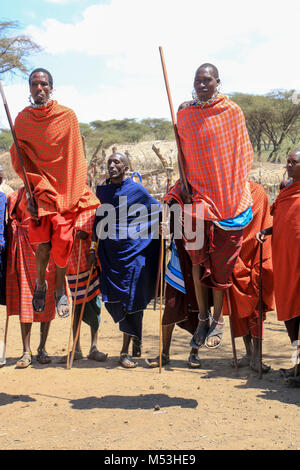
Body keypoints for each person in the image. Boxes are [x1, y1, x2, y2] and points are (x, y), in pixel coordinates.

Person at [164, 63, 253, 351]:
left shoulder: (231, 112)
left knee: (220, 267)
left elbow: (241, 156)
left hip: (227, 200)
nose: (201, 85)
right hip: (195, 199)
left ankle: (218, 319)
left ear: (218, 82)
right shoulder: (185, 113)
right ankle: (202, 317)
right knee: (196, 260)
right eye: (197, 81)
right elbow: (183, 154)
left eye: (207, 81)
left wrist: (231, 190)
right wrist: (185, 184)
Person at [10, 68, 99, 319]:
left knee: (62, 243)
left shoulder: (67, 116)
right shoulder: (22, 119)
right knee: (43, 245)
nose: (40, 89)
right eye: (35, 84)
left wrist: (70, 191)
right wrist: (31, 188)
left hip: (65, 190)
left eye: (44, 84)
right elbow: (20, 156)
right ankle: (42, 284)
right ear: (29, 89)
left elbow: (75, 157)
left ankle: (60, 288)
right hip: (40, 190)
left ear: (52, 87)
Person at [89, 153, 161, 369]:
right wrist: (93, 247)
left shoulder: (136, 190)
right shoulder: (102, 191)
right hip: (110, 256)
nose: (111, 165)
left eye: (116, 162)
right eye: (109, 162)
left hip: (134, 254)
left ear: (126, 167)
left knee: (132, 299)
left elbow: (155, 210)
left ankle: (125, 351)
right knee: (114, 299)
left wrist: (148, 231)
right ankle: (135, 337)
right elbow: (98, 222)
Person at [257, 150, 300, 387]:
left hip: (299, 266)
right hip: (285, 264)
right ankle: (297, 365)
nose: (289, 165)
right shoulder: (286, 192)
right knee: (290, 317)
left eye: (294, 162)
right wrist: (267, 231)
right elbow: (282, 221)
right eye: (288, 162)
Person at [223, 181, 274, 372]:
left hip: (255, 257)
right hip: (234, 258)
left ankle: (257, 357)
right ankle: (248, 353)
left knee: (256, 309)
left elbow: (265, 223)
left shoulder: (258, 192)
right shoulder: (225, 192)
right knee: (238, 309)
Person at [6, 188, 58, 368]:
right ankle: (26, 351)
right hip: (24, 249)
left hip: (47, 250)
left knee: (47, 299)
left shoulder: (50, 193)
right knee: (26, 299)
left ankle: (42, 348)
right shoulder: (15, 196)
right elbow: (9, 223)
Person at [59, 208, 107, 363]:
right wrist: (73, 234)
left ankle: (94, 347)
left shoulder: (90, 204)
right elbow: (59, 230)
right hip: (72, 263)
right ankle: (76, 347)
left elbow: (97, 229)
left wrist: (88, 238)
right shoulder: (63, 206)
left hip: (89, 261)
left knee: (95, 304)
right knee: (77, 306)